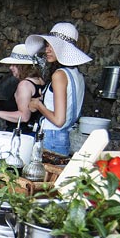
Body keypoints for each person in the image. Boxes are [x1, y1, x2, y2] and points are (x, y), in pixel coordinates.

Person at [25, 22, 92, 155]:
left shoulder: (59, 75)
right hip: (62, 137)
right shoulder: (77, 75)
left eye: (53, 46)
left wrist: (38, 105)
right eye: (48, 45)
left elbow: (58, 120)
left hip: (52, 137)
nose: (47, 50)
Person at [0, 44, 45, 132]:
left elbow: (24, 117)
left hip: (20, 134)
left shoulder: (24, 85)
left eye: (14, 64)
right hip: (32, 133)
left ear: (23, 66)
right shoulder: (39, 80)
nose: (11, 67)